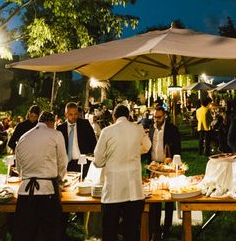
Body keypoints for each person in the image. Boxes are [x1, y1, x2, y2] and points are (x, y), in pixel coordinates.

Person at [94, 104, 151, 241]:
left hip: (113, 191)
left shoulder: (107, 131)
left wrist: (105, 160)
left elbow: (98, 158)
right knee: (131, 232)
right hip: (134, 191)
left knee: (110, 232)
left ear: (114, 117)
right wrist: (136, 151)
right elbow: (147, 146)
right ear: (128, 116)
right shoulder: (138, 129)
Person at [12, 111, 68, 241]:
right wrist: (60, 178)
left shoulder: (24, 137)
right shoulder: (56, 134)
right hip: (46, 191)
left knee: (25, 232)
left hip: (25, 193)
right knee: (47, 232)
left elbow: (19, 168)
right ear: (52, 123)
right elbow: (62, 162)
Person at [147, 106, 181, 241]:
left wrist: (172, 159)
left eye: (159, 117)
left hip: (167, 167)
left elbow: (178, 148)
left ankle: (166, 229)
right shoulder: (151, 128)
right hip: (153, 167)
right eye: (154, 117)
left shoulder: (172, 129)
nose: (156, 120)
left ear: (165, 116)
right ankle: (155, 228)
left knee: (168, 199)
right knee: (153, 199)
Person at [56, 102, 98, 175]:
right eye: (71, 114)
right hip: (67, 165)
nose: (74, 117)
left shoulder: (85, 124)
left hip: (83, 163)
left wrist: (91, 156)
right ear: (66, 114)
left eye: (75, 114)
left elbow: (93, 142)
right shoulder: (60, 129)